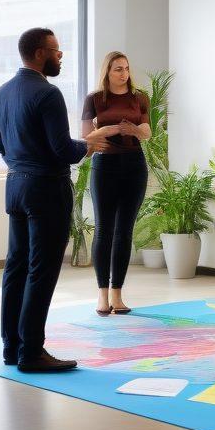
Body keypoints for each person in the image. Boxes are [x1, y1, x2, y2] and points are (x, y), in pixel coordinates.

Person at [0, 28, 108, 373]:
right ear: (41, 53)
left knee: (15, 267)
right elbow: (63, 150)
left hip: (15, 185)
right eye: (57, 51)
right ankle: (32, 352)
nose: (61, 56)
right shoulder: (48, 93)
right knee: (41, 271)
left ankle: (12, 347)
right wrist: (89, 143)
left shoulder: (2, 92)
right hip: (46, 188)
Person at [81, 52, 150, 316]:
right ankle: (102, 295)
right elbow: (85, 137)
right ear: (107, 72)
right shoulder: (94, 99)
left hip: (134, 165)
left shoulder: (139, 98)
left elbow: (147, 132)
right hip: (104, 166)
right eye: (118, 69)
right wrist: (106, 131)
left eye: (126, 68)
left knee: (124, 232)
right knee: (104, 230)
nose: (124, 73)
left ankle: (117, 295)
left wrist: (134, 130)